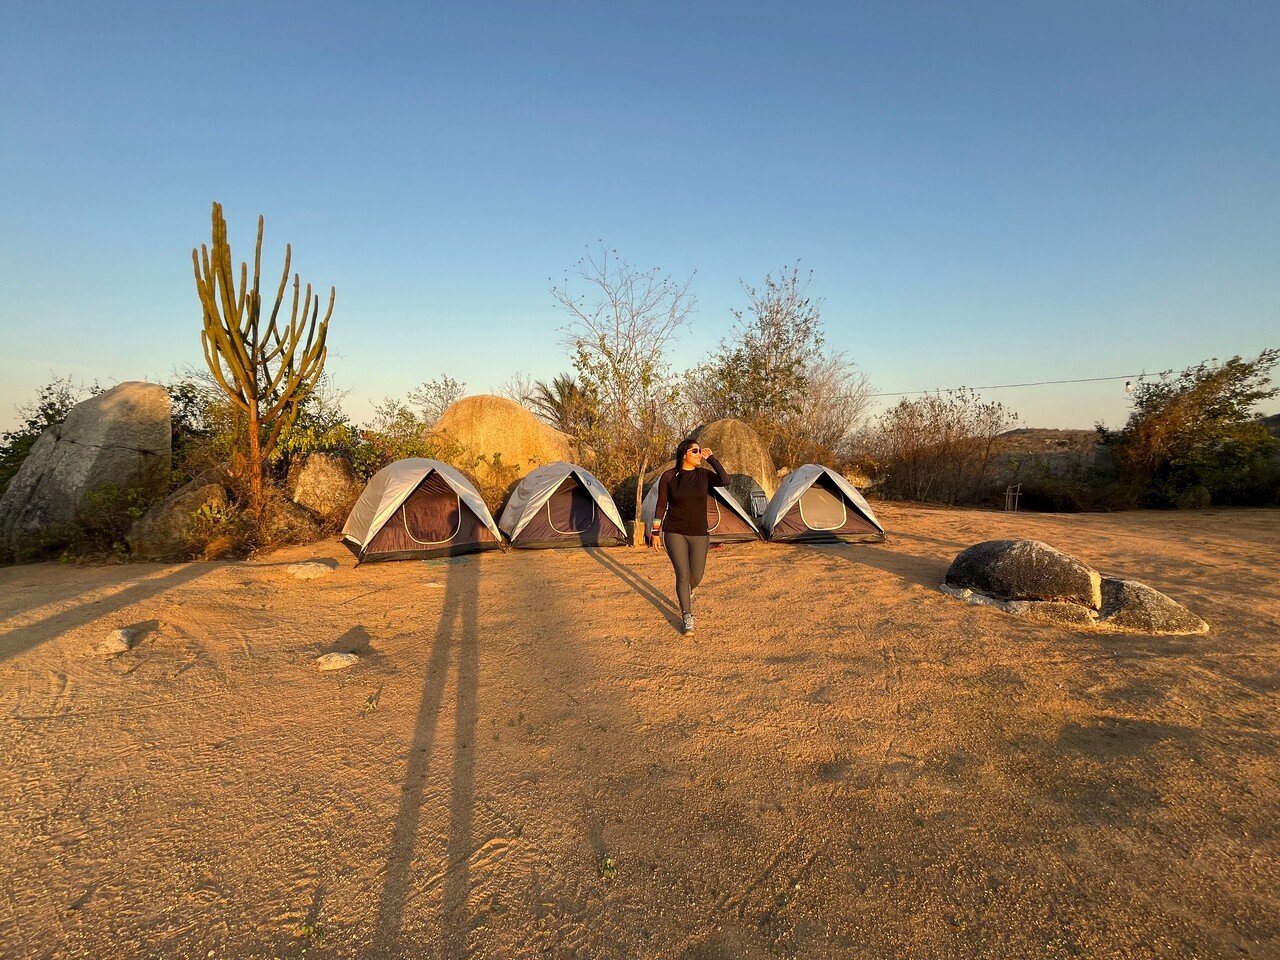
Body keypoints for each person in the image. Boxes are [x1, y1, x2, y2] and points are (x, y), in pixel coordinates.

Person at [649, 438, 729, 635]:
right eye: (695, 451)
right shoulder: (669, 476)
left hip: (700, 533)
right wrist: (655, 532)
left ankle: (686, 591)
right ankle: (687, 616)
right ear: (684, 454)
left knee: (697, 575)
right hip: (674, 530)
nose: (699, 454)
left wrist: (712, 459)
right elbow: (661, 505)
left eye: (700, 450)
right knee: (683, 574)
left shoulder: (704, 475)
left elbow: (725, 480)